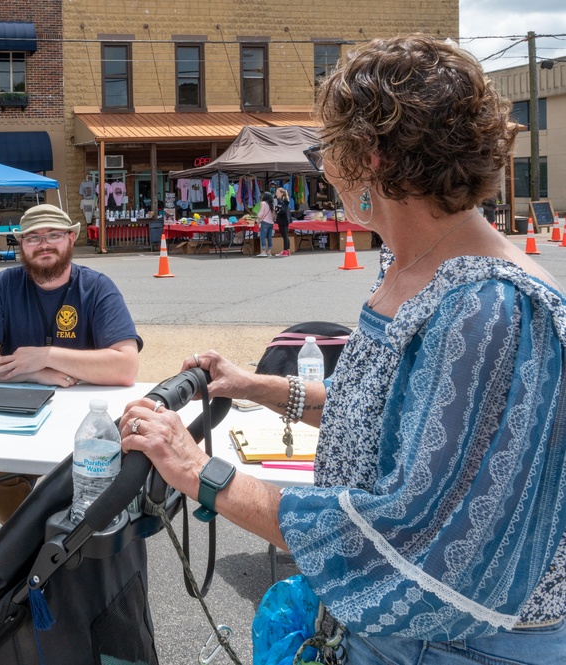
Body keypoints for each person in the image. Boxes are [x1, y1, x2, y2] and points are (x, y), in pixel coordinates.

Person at [119, 35, 566, 663]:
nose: (323, 166)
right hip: (395, 633)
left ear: (372, 157)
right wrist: (254, 386)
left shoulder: (489, 308)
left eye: (327, 147)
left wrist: (201, 473)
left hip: (462, 647)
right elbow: (395, 419)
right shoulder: (409, 262)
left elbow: (410, 536)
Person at [0, 203, 142, 523]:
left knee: (101, 471)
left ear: (71, 239)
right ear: (22, 245)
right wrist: (36, 373)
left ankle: (56, 533)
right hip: (21, 415)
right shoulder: (4, 285)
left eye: (54, 234)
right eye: (33, 237)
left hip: (87, 419)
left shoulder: (98, 287)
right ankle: (30, 531)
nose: (44, 244)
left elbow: (126, 367)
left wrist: (48, 355)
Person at [273, 187, 292, 256]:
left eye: (277, 193)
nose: (276, 194)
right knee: (286, 235)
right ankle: (288, 250)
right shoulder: (286, 201)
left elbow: (281, 211)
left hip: (282, 220)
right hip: (286, 219)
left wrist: (276, 210)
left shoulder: (280, 201)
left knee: (284, 236)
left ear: (281, 193)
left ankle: (285, 250)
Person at [256, 191, 275, 257]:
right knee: (269, 238)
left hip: (265, 222)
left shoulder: (263, 203)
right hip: (271, 223)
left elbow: (261, 213)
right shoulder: (272, 204)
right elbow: (273, 214)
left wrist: (258, 220)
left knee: (263, 237)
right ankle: (269, 251)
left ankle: (263, 251)